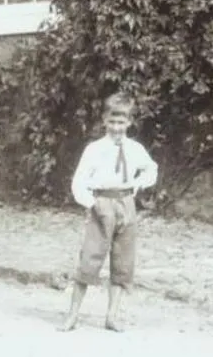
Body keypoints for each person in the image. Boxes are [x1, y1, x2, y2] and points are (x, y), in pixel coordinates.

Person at [60, 93, 159, 332]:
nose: (116, 128)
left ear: (129, 122)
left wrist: (137, 184)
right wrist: (91, 203)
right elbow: (79, 181)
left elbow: (151, 169)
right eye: (112, 122)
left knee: (122, 260)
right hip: (101, 203)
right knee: (90, 258)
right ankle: (72, 315)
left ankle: (111, 316)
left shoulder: (135, 149)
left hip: (126, 203)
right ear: (104, 120)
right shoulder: (95, 149)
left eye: (121, 122)